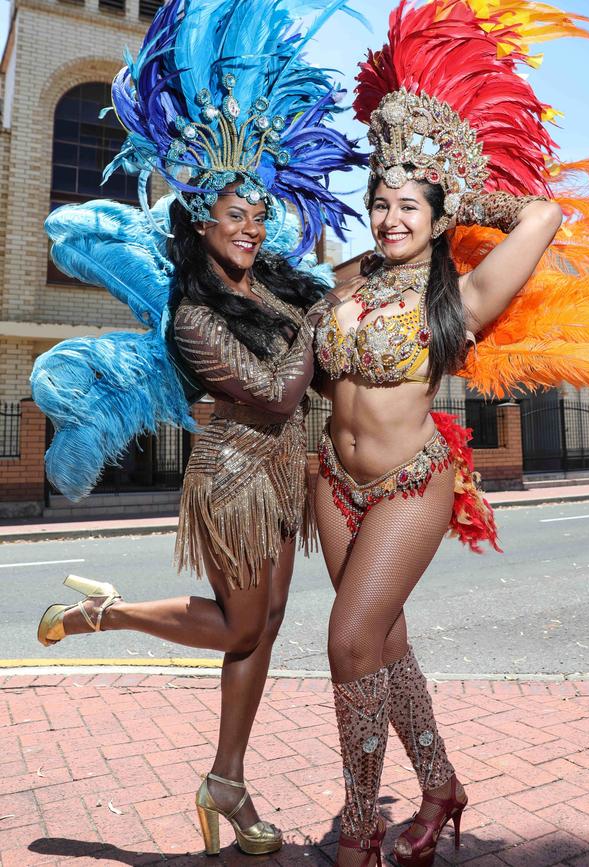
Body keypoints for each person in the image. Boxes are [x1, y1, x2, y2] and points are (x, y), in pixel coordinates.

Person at [313, 2, 589, 866]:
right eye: (379, 203)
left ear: (435, 212)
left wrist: (458, 189)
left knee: (349, 641)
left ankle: (360, 830)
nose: (389, 218)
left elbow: (540, 216)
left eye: (407, 208)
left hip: (406, 483)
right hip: (331, 482)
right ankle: (439, 785)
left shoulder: (459, 299)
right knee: (383, 641)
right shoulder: (351, 280)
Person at [34, 0, 364, 856]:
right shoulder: (191, 314)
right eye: (233, 217)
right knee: (238, 626)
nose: (250, 228)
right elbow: (276, 391)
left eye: (257, 217)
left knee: (265, 626)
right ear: (200, 225)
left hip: (285, 474)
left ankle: (228, 778)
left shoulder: (276, 287)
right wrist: (310, 328)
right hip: (233, 476)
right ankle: (108, 616)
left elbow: (326, 346)